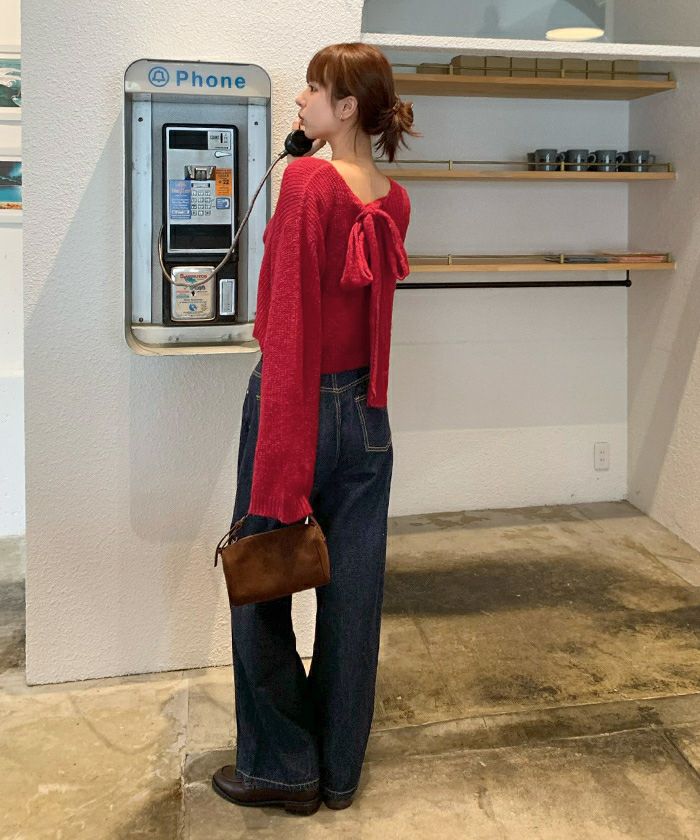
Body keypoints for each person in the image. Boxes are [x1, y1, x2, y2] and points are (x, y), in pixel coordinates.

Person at [212, 41, 421, 816]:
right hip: (368, 413)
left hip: (296, 399)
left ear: (346, 107)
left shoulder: (306, 182)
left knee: (260, 582)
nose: (300, 101)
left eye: (312, 89)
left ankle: (282, 767)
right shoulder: (393, 198)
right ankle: (337, 770)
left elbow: (289, 313)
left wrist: (283, 447)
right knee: (353, 601)